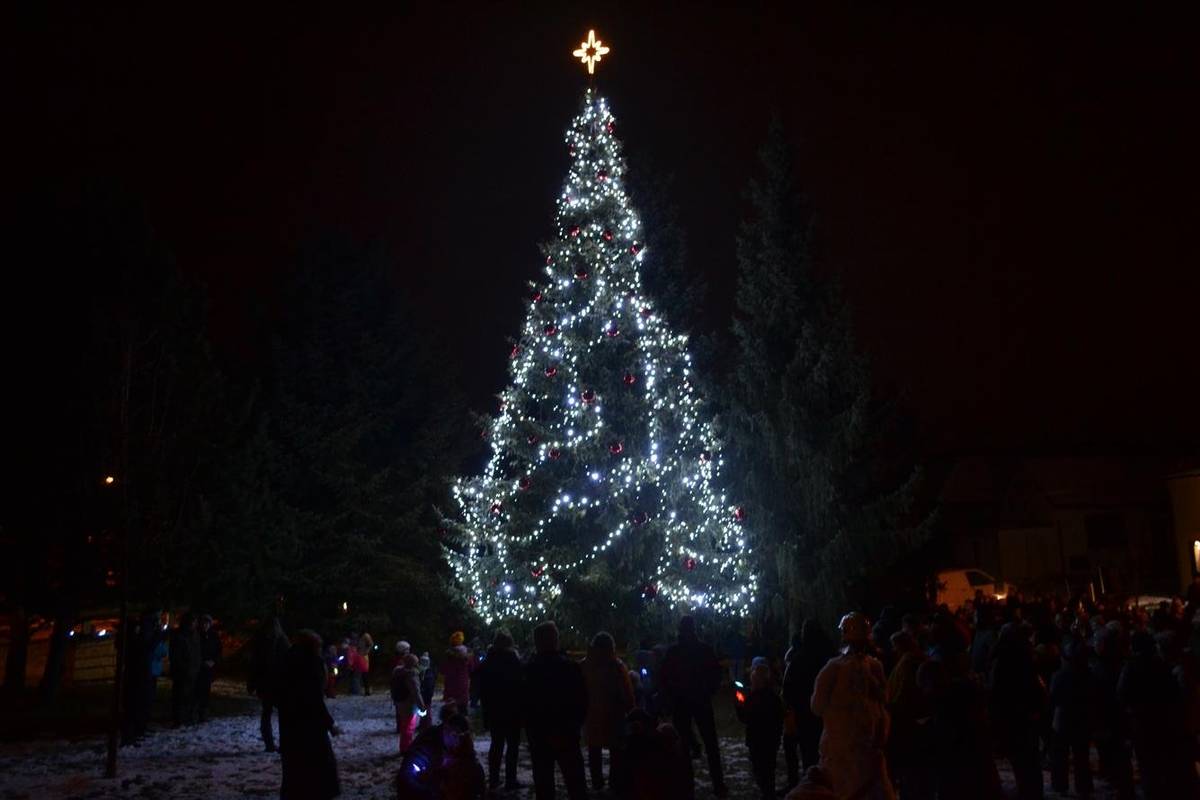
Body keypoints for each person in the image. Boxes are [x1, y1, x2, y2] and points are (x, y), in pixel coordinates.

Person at [810, 612, 895, 800]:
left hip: (841, 750)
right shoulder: (874, 667)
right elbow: (885, 699)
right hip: (868, 749)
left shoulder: (834, 669)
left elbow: (816, 706)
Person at [659, 615, 728, 797]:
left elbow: (664, 677)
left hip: (682, 701)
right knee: (710, 744)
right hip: (699, 700)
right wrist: (708, 691)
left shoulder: (674, 652)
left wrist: (671, 696)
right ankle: (718, 784)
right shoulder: (704, 650)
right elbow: (715, 674)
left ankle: (686, 785)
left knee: (683, 746)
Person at [523, 620, 588, 800]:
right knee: (575, 783)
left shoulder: (530, 670)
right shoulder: (569, 667)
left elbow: (525, 704)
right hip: (566, 732)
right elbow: (581, 700)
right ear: (555, 640)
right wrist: (574, 725)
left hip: (540, 734)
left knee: (544, 785)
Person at [278, 629, 340, 800]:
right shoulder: (310, 664)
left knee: (294, 767)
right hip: (309, 725)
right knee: (316, 765)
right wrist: (330, 723)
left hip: (291, 723)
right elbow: (313, 698)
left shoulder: (288, 660)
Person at [989, 623, 1045, 800]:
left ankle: (1028, 792)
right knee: (1029, 761)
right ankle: (1033, 792)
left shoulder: (1002, 660)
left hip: (1013, 717)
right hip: (1024, 716)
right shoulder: (1025, 657)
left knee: (1021, 762)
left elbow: (996, 692)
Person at [581, 631, 635, 792]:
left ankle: (597, 783)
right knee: (616, 752)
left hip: (591, 716)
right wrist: (630, 709)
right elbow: (627, 693)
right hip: (614, 716)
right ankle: (614, 783)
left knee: (594, 750)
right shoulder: (617, 667)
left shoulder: (584, 665)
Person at [782, 620, 833, 790]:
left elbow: (789, 688)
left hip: (806, 713)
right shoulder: (831, 657)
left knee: (809, 753)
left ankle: (811, 787)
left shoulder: (800, 659)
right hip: (827, 714)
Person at [477, 628, 524, 792]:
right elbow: (521, 684)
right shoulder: (514, 661)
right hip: (512, 710)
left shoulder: (488, 662)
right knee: (512, 746)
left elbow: (481, 685)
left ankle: (494, 779)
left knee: (496, 744)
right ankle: (510, 779)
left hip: (494, 709)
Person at [1048, 636, 1093, 797]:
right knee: (1082, 755)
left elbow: (1053, 698)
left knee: (1060, 755)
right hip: (1082, 718)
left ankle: (1060, 784)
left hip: (1064, 718)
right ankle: (1084, 786)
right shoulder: (1089, 674)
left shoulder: (1060, 675)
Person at [738, 661, 784, 799]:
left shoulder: (753, 698)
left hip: (757, 740)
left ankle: (767, 793)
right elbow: (779, 718)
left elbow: (745, 718)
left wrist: (739, 705)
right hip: (771, 740)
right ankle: (769, 792)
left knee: (760, 769)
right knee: (769, 769)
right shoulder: (774, 698)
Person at [248, 616, 291, 752]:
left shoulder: (261, 641)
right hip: (277, 683)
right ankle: (280, 743)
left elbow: (254, 663)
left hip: (267, 683)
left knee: (267, 713)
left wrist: (253, 682)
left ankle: (270, 744)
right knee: (281, 714)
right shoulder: (281, 640)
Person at [169, 611, 201, 726]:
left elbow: (197, 653)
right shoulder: (180, 635)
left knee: (189, 696)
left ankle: (187, 717)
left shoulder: (194, 635)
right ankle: (179, 719)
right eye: (194, 622)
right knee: (180, 696)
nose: (195, 624)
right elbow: (176, 655)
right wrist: (184, 668)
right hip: (183, 671)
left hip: (192, 670)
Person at [391, 653, 425, 753]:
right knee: (409, 728)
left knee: (404, 725)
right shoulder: (411, 675)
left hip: (400, 702)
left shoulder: (397, 672)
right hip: (409, 703)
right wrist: (422, 706)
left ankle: (404, 746)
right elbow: (416, 692)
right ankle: (406, 748)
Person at [195, 613, 221, 723]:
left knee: (206, 692)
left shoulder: (214, 636)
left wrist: (213, 661)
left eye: (207, 623)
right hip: (198, 668)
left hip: (208, 668)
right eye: (203, 623)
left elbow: (218, 651)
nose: (205, 625)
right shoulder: (197, 635)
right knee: (196, 691)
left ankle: (203, 714)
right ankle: (194, 713)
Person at [442, 631, 472, 710]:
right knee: (462, 710)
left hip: (450, 686)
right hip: (462, 685)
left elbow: (443, 670)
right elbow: (472, 669)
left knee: (450, 710)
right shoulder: (466, 657)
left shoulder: (448, 655)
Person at [418, 652, 436, 731]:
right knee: (422, 710)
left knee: (426, 710)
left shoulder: (428, 673)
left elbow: (429, 686)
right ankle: (423, 724)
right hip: (424, 694)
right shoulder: (424, 672)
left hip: (426, 694)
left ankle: (427, 725)